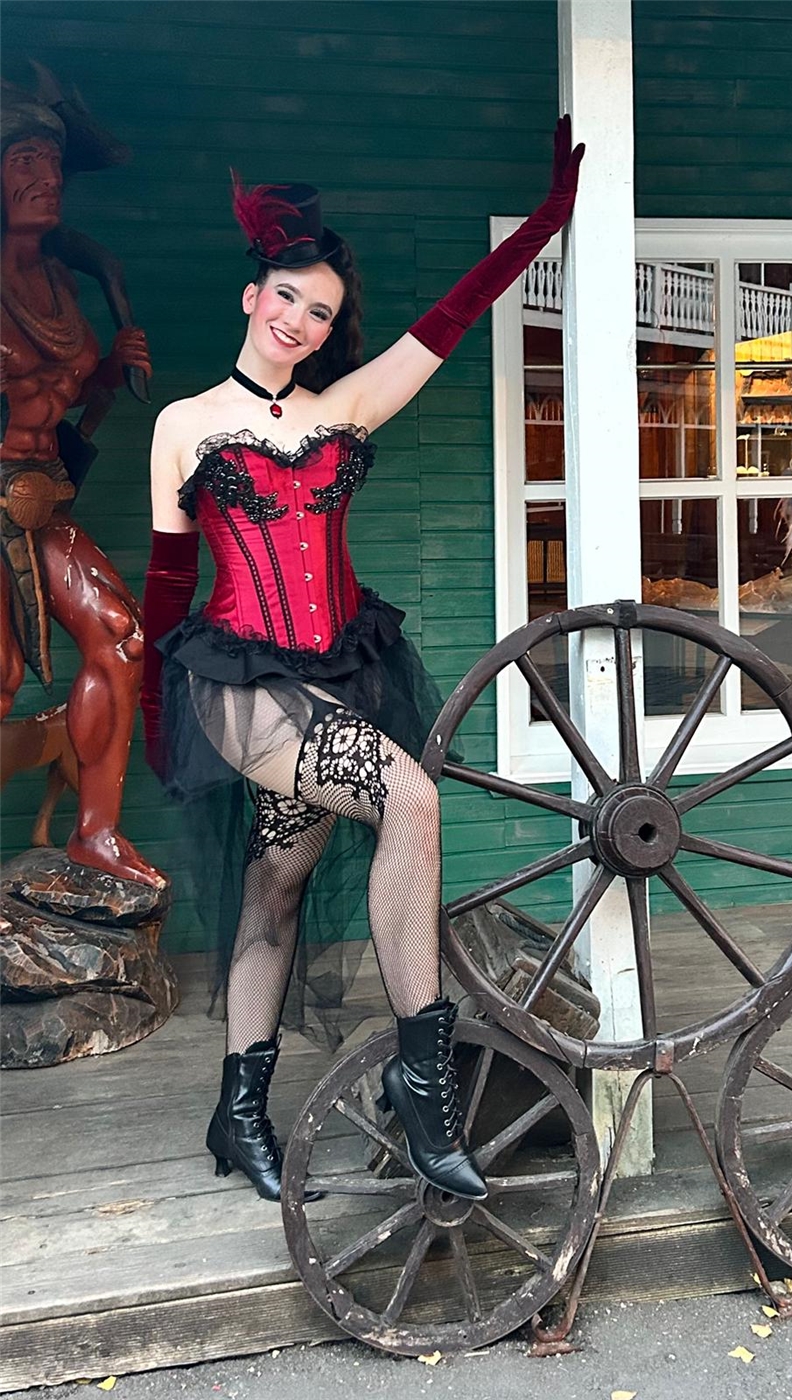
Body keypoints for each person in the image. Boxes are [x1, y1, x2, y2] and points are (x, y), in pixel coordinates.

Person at [141, 118, 584, 1203]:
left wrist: (546, 222)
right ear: (253, 294)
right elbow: (165, 585)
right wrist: (160, 717)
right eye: (288, 297)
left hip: (337, 670)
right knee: (411, 799)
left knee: (277, 884)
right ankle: (422, 1079)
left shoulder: (345, 406)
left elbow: (455, 316)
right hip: (239, 684)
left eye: (322, 312)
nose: (299, 320)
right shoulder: (184, 424)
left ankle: (237, 1110)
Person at [1, 79, 160, 888]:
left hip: (45, 498)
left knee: (121, 636)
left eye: (55, 161)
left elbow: (63, 403)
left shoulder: (63, 285)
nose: (49, 177)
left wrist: (106, 374)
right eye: (27, 159)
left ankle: (96, 833)